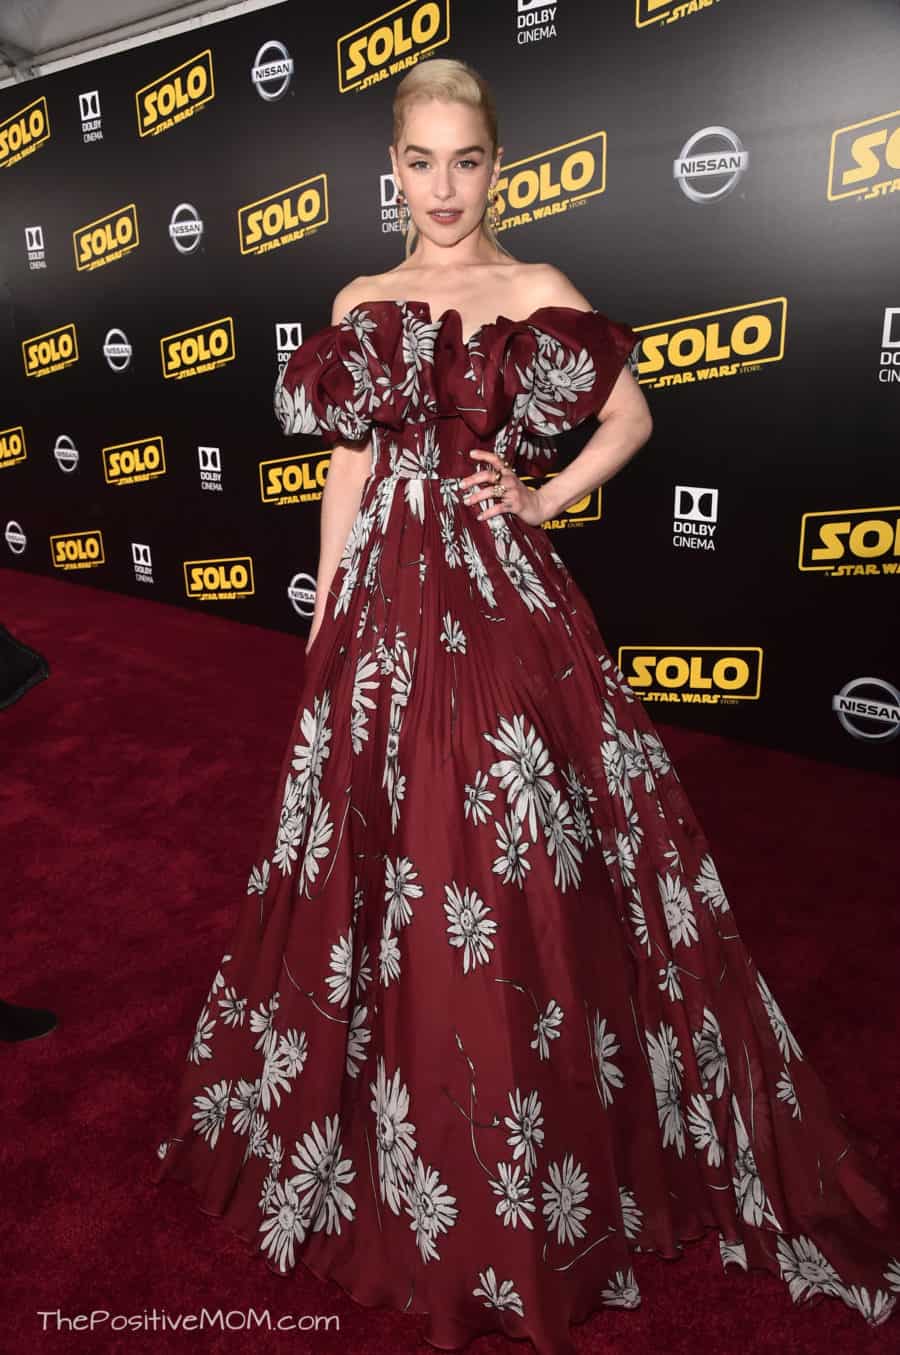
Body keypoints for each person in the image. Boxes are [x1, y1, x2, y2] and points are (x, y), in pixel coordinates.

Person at [152, 57, 900, 1353]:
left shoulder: (538, 291)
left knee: (510, 834)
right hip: (382, 594)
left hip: (499, 598)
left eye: (468, 160)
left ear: (498, 164)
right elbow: (349, 466)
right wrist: (326, 612)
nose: (445, 188)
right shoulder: (361, 297)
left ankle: (527, 1101)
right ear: (394, 171)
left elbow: (633, 418)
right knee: (372, 834)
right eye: (421, 162)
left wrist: (544, 497)